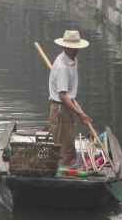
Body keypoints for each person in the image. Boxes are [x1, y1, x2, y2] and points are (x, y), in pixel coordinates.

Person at [48, 30, 93, 168]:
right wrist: (80, 113)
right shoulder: (62, 66)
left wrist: (77, 110)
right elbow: (62, 95)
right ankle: (63, 173)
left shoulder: (71, 61)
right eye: (73, 48)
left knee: (69, 147)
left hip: (67, 106)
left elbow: (68, 93)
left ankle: (68, 168)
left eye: (76, 47)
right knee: (64, 151)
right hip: (61, 108)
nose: (75, 50)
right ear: (65, 47)